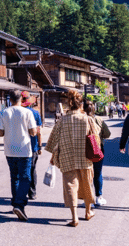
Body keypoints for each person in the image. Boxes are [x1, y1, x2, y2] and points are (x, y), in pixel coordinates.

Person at [45, 90, 96, 227]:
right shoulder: (87, 119)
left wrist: (53, 156)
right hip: (85, 157)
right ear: (81, 105)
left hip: (67, 157)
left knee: (70, 186)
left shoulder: (62, 120)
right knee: (86, 184)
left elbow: (53, 141)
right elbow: (95, 137)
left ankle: (74, 217)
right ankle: (88, 211)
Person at [0, 89, 37, 222]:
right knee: (25, 178)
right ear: (20, 99)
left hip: (9, 150)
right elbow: (33, 132)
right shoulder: (28, 112)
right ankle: (19, 204)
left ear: (10, 99)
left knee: (14, 178)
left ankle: (15, 203)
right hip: (24, 150)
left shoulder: (4, 112)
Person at [84, 101, 111, 207]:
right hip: (97, 148)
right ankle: (98, 197)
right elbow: (107, 134)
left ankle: (87, 198)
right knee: (97, 173)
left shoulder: (80, 119)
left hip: (83, 149)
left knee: (85, 174)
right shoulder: (99, 119)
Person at [22, 91, 42, 200]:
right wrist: (39, 146)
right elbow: (39, 132)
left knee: (22, 170)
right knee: (32, 169)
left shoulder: (16, 112)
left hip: (19, 146)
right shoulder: (35, 113)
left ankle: (22, 192)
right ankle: (32, 193)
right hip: (33, 145)